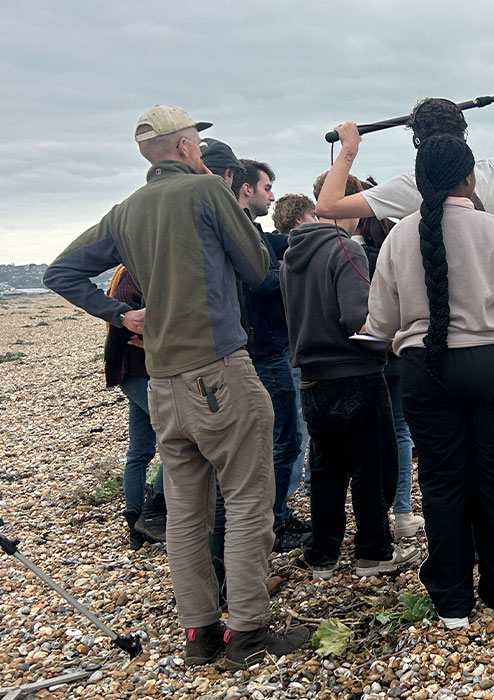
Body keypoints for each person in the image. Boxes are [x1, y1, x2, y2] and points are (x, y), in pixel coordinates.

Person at [42, 105, 309, 670]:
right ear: (186, 147)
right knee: (247, 501)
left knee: (186, 513)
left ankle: (200, 633)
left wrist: (120, 315)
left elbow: (60, 272)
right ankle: (248, 632)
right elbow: (257, 266)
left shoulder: (126, 210)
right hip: (219, 370)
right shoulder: (208, 191)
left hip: (162, 381)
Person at [363, 134, 494, 629]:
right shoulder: (493, 230)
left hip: (425, 370)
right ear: (469, 179)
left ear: (420, 181)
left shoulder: (398, 237)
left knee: (442, 482)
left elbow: (380, 323)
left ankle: (452, 601)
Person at [279, 181, 420, 581]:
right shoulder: (346, 247)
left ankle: (323, 554)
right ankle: (373, 551)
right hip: (355, 373)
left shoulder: (291, 254)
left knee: (327, 469)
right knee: (375, 466)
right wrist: (394, 337)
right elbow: (358, 319)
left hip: (311, 377)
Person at [314, 84, 494, 223]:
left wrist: (349, 148)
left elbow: (327, 206)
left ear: (418, 140)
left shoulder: (408, 187)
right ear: (462, 133)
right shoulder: (491, 173)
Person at [233, 159, 311, 551]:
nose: (272, 195)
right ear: (246, 189)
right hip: (266, 349)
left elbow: (277, 246)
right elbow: (263, 280)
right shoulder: (241, 230)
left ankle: (271, 516)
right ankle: (275, 521)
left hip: (261, 347)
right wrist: (291, 277)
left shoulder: (251, 230)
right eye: (266, 188)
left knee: (272, 437)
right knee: (285, 438)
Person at [104, 265, 165, 550]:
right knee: (181, 439)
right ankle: (153, 511)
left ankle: (136, 522)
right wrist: (151, 337)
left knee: (139, 450)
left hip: (135, 372)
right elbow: (125, 310)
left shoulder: (129, 270)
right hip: (139, 372)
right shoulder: (134, 269)